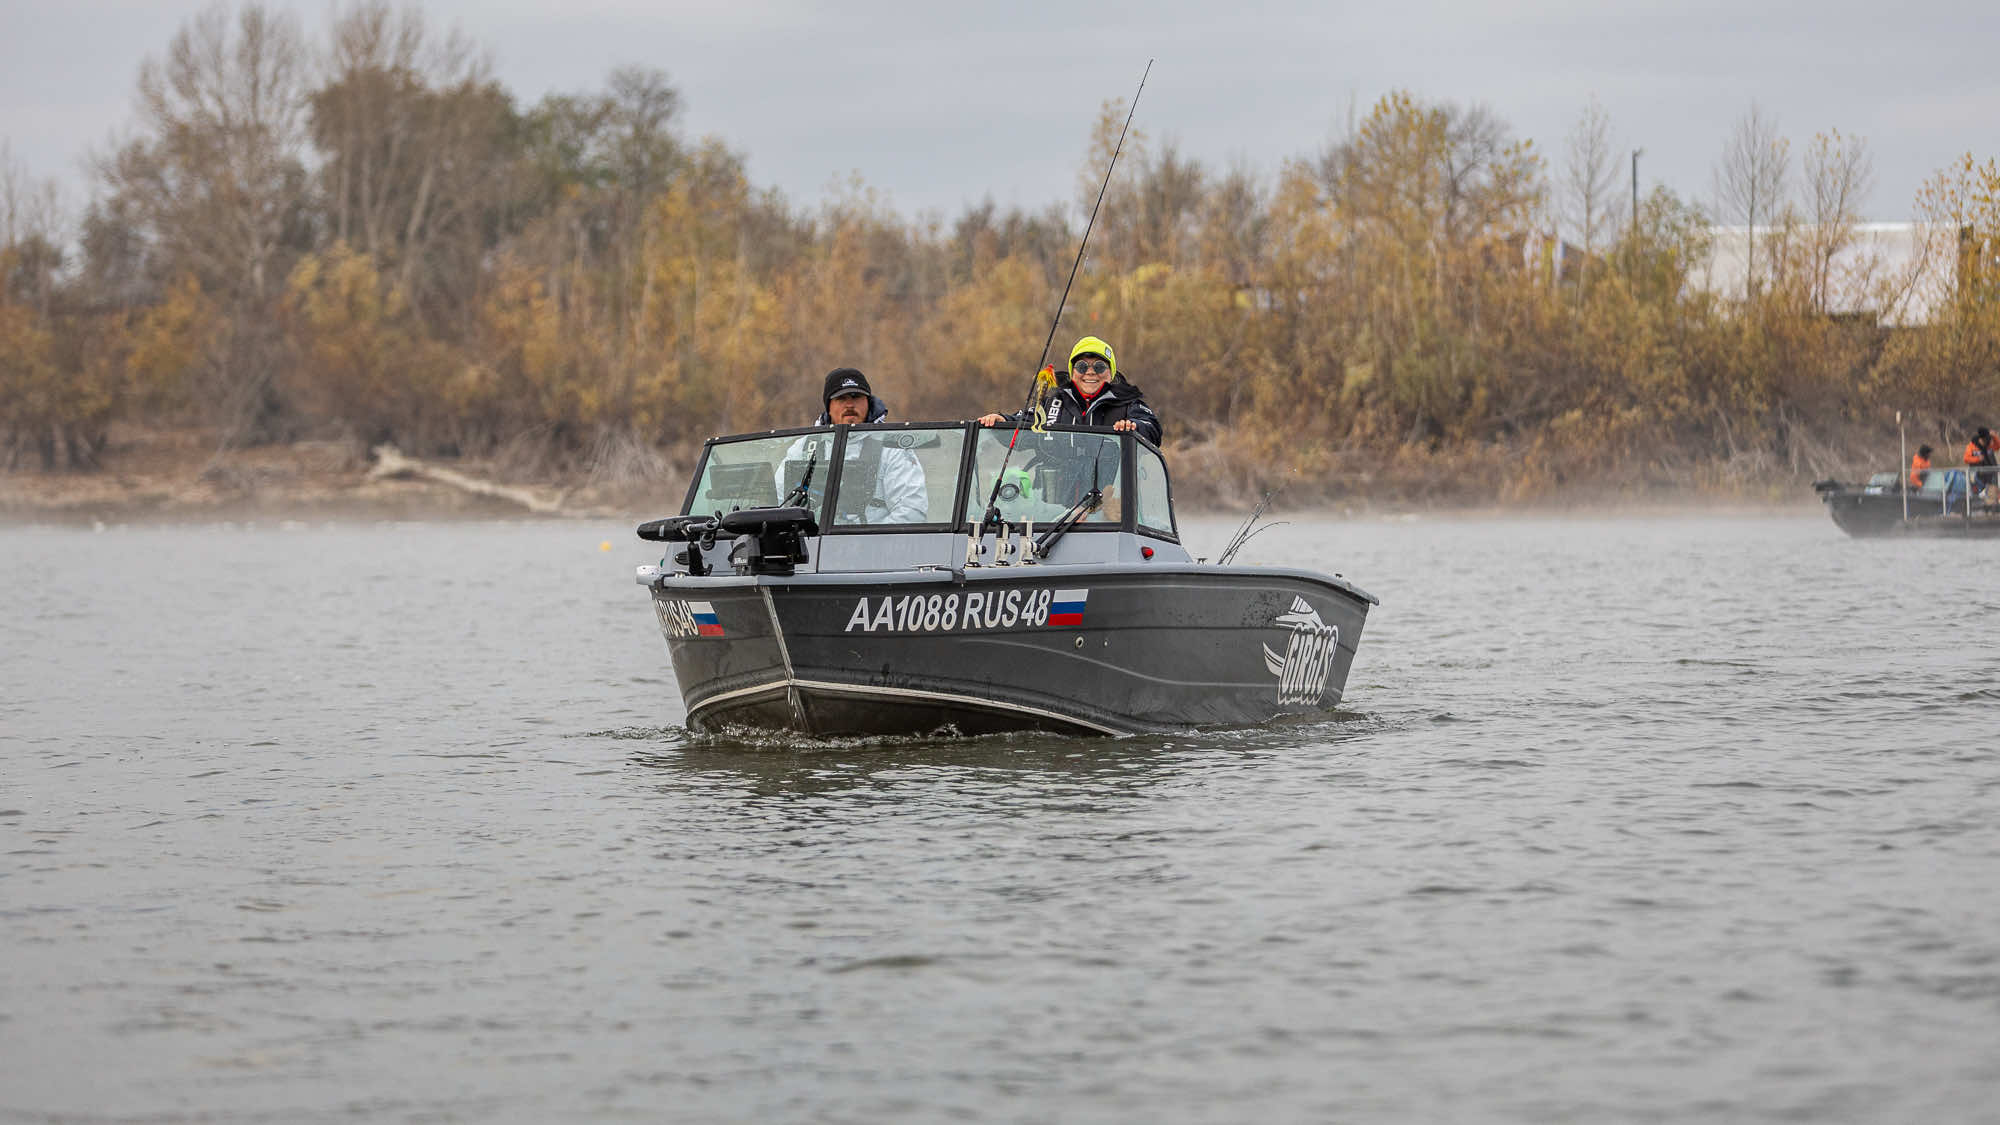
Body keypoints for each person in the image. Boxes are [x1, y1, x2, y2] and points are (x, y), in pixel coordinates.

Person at [783, 368, 927, 523]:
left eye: (856, 397)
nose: (850, 404)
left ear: (868, 402)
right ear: (828, 406)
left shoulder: (892, 447)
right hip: (811, 544)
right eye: (841, 398)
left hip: (873, 545)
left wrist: (864, 542)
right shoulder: (805, 447)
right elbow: (778, 502)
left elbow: (912, 511)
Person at [977, 336, 1162, 446]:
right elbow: (1023, 424)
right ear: (1073, 372)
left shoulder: (1128, 404)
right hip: (1056, 508)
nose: (1090, 372)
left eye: (1099, 367)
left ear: (1110, 373)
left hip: (1109, 503)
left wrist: (1134, 427)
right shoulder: (1052, 403)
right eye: (1081, 366)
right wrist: (1001, 421)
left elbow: (1152, 429)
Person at [1963, 426, 1998, 496]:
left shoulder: (1989, 445)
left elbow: (1997, 446)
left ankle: (1992, 504)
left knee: (1992, 493)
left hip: (1990, 474)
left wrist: (1994, 437)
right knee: (1978, 493)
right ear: (1981, 438)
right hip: (1978, 475)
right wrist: (1977, 459)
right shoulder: (1971, 446)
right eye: (1986, 439)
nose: (1987, 441)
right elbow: (1966, 459)